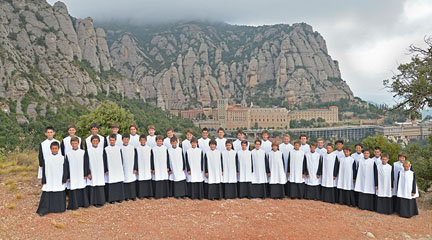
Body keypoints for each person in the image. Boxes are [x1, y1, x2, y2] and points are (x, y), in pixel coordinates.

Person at [36, 142, 66, 216]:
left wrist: (64, 179)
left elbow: (66, 170)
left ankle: (58, 208)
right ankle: (45, 209)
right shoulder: (46, 158)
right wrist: (44, 180)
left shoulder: (62, 158)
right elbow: (44, 170)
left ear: (58, 149)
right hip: (49, 179)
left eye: (56, 148)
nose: (54, 150)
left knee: (58, 191)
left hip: (59, 179)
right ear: (50, 149)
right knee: (47, 192)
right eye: (53, 149)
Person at [64, 137, 89, 210]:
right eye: (73, 143)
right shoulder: (68, 154)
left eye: (76, 143)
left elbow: (86, 164)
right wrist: (67, 176)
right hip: (72, 174)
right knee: (74, 187)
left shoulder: (83, 152)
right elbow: (66, 166)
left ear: (78, 143)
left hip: (81, 173)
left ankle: (83, 203)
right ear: (71, 144)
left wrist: (85, 174)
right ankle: (74, 205)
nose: (74, 144)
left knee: (81, 186)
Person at [104, 134, 125, 203]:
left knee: (118, 182)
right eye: (110, 140)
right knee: (112, 183)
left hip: (118, 168)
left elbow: (121, 158)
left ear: (115, 140)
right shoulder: (106, 149)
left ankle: (119, 198)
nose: (112, 141)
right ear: (109, 141)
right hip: (110, 168)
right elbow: (104, 160)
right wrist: (106, 169)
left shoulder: (119, 148)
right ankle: (112, 199)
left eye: (113, 140)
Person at [85, 135, 106, 207]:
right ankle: (93, 201)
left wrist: (105, 170)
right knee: (93, 184)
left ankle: (100, 201)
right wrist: (88, 172)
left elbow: (105, 161)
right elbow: (86, 162)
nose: (95, 142)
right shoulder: (88, 150)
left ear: (99, 142)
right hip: (92, 171)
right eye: (93, 141)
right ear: (91, 142)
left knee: (99, 185)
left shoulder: (102, 150)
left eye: (96, 141)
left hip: (100, 171)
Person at [121, 133, 138, 201]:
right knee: (125, 182)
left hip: (131, 167)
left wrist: (135, 168)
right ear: (122, 140)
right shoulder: (120, 148)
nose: (126, 141)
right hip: (124, 167)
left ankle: (133, 196)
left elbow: (136, 158)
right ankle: (126, 196)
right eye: (124, 139)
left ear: (129, 140)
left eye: (127, 139)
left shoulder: (132, 148)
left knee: (132, 181)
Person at [136, 134, 153, 199]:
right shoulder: (137, 149)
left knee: (147, 179)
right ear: (139, 141)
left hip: (147, 167)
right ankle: (141, 195)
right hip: (140, 167)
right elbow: (136, 159)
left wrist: (152, 168)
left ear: (146, 140)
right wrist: (136, 169)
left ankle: (148, 194)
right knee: (141, 180)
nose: (142, 141)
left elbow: (151, 159)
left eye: (144, 140)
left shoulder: (149, 148)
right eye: (141, 140)